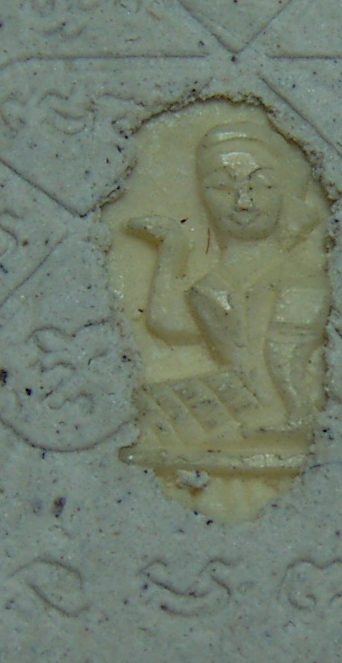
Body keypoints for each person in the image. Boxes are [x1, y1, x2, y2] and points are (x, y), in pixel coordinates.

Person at [119, 116, 329, 479]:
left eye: (261, 185)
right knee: (136, 411)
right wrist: (173, 250)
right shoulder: (215, 281)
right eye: (221, 186)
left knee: (155, 417)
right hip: (237, 399)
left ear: (285, 193)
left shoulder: (299, 281)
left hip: (266, 410)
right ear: (201, 196)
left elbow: (285, 378)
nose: (243, 202)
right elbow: (170, 324)